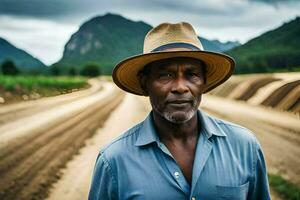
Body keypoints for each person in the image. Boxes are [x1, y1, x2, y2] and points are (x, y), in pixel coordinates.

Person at [88, 22, 271, 200]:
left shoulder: (245, 146)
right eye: (165, 75)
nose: (181, 87)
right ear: (145, 84)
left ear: (203, 83)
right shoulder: (114, 161)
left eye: (192, 74)